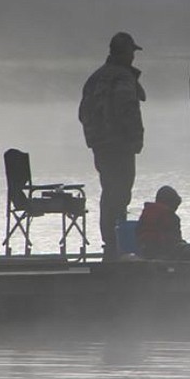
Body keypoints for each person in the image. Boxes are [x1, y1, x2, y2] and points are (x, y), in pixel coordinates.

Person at [79, 31, 145, 259]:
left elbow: (83, 112)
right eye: (131, 52)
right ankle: (116, 245)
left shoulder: (95, 77)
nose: (133, 57)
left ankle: (111, 243)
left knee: (109, 192)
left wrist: (94, 138)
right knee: (120, 193)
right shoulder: (123, 78)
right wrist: (136, 138)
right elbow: (126, 109)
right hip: (120, 145)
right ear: (124, 52)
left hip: (101, 146)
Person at [136, 185, 190, 260]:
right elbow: (174, 240)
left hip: (145, 251)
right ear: (172, 204)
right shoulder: (170, 216)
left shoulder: (146, 213)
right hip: (164, 253)